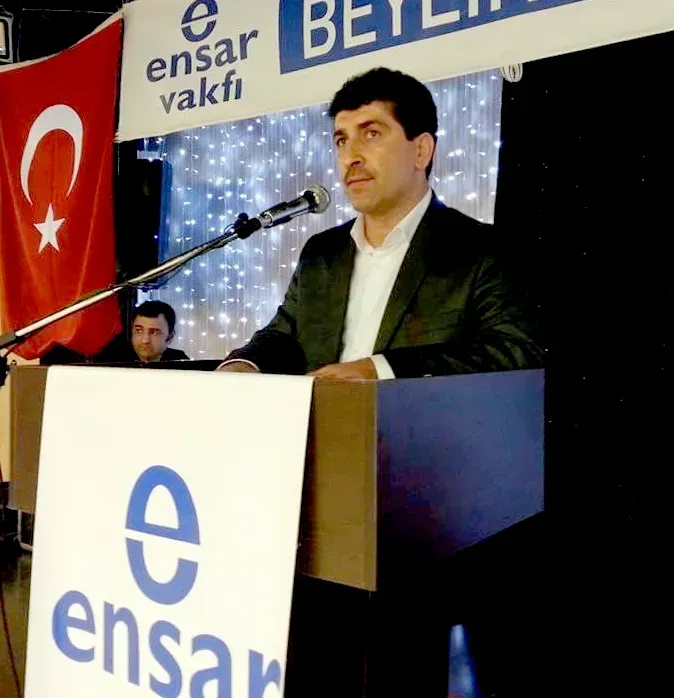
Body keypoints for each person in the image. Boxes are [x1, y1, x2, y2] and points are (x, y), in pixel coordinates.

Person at [219, 67, 541, 379]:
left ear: (421, 151)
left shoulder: (481, 250)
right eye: (341, 140)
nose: (351, 157)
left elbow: (513, 351)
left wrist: (381, 370)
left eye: (371, 134)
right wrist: (246, 364)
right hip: (318, 417)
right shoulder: (322, 252)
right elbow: (284, 335)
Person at [95, 300, 189, 364]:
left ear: (170, 337)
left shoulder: (180, 361)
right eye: (139, 331)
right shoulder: (112, 360)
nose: (145, 340)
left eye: (154, 332)